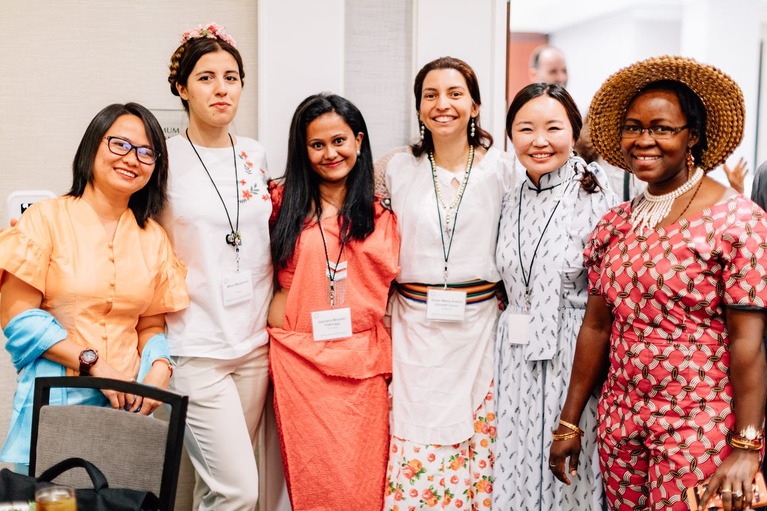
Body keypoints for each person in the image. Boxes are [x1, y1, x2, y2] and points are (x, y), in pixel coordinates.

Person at [550, 55, 767, 511]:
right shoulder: (615, 224)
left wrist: (747, 447)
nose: (644, 140)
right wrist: (570, 421)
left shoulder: (737, 221)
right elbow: (596, 327)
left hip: (700, 424)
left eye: (662, 128)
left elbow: (747, 344)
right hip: (620, 421)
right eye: (633, 127)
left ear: (693, 136)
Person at [0, 103, 188, 473]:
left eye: (147, 152)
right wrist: (95, 364)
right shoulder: (45, 218)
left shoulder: (154, 239)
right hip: (54, 401)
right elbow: (17, 319)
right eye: (120, 144)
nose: (132, 158)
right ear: (92, 146)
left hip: (126, 407)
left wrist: (160, 369)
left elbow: (149, 325)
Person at [376, 56, 518, 510]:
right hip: (413, 325)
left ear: (475, 106)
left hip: (479, 326)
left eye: (455, 94)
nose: (443, 105)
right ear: (418, 109)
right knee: (416, 437)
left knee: (479, 441)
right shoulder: (396, 168)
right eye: (431, 95)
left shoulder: (504, 169)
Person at [267, 93, 400, 510]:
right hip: (299, 361)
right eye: (317, 144)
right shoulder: (279, 203)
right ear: (303, 151)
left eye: (339, 140)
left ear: (358, 141)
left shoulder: (383, 212)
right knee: (313, 484)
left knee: (362, 483)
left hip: (362, 364)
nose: (330, 153)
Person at [162, 23, 272, 510]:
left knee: (214, 485)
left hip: (254, 345)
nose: (221, 88)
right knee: (237, 490)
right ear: (182, 88)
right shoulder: (163, 156)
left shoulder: (254, 154)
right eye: (206, 77)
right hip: (196, 343)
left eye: (231, 76)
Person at [494, 83, 617, 510]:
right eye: (526, 128)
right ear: (511, 135)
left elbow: (606, 301)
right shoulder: (512, 196)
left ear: (574, 130)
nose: (539, 140)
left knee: (568, 478)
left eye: (553, 127)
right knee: (516, 468)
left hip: (574, 354)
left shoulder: (594, 193)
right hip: (514, 353)